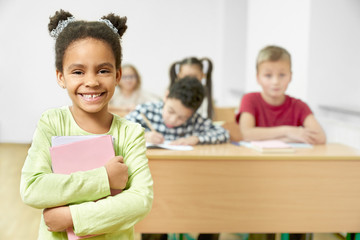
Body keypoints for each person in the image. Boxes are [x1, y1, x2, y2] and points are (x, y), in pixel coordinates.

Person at [20, 9, 153, 240]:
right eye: (78, 72)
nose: (91, 81)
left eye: (103, 70)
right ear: (61, 77)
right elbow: (33, 189)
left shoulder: (131, 133)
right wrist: (104, 178)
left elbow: (140, 200)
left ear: (117, 75)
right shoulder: (52, 123)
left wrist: (71, 216)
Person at [236, 45, 326, 145]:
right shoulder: (249, 99)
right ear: (258, 78)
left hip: (288, 160)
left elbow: (320, 138)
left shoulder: (299, 106)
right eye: (268, 75)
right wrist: (287, 131)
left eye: (282, 75)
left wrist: (280, 138)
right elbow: (246, 134)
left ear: (290, 77)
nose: (275, 82)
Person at [126, 76, 229, 146]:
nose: (173, 120)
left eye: (182, 117)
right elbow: (120, 129)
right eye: (171, 111)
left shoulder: (195, 121)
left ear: (192, 114)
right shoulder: (147, 111)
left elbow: (223, 133)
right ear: (166, 96)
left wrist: (195, 139)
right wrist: (144, 136)